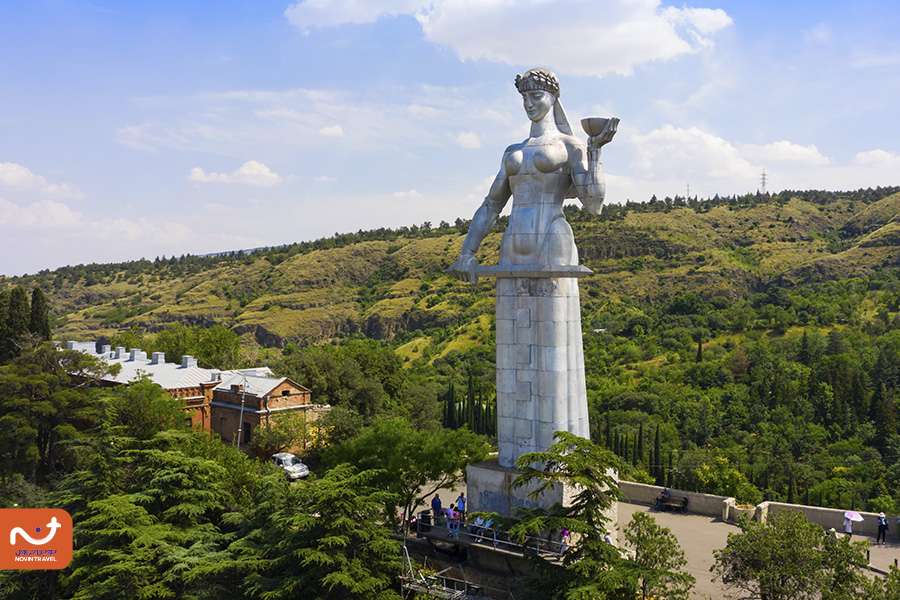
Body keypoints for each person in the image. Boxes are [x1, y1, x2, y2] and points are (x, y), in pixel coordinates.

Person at [447, 68, 618, 468]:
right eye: (524, 95)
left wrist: (595, 150)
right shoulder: (512, 151)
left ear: (553, 98)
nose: (529, 101)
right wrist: (468, 253)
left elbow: (593, 202)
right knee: (512, 355)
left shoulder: (572, 145)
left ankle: (557, 459)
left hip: (552, 239)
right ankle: (515, 457)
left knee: (554, 362)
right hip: (512, 246)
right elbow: (491, 205)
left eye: (536, 94)